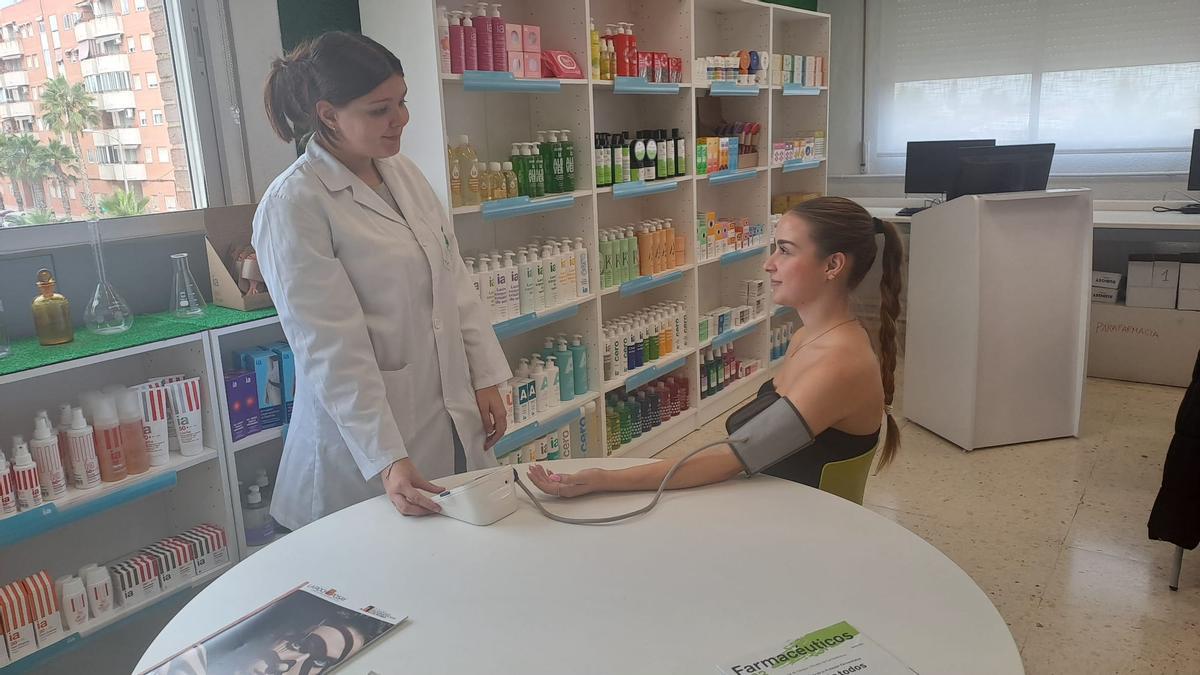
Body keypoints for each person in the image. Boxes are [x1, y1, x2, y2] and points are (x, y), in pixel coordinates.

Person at [254, 32, 512, 530]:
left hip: (444, 416)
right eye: (379, 110)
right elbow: (330, 349)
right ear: (328, 115)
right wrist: (388, 458)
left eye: (402, 102)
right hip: (359, 456)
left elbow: (452, 279)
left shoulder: (404, 175)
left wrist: (485, 376)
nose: (401, 119)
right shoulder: (295, 205)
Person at [527, 197, 903, 496]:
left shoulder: (838, 364)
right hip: (774, 501)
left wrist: (603, 480)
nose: (769, 265)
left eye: (785, 251)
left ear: (833, 265)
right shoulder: (809, 336)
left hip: (806, 530)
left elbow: (733, 457)